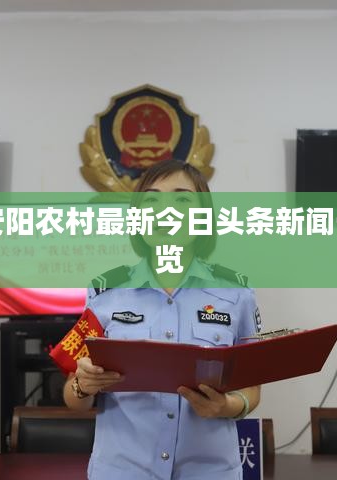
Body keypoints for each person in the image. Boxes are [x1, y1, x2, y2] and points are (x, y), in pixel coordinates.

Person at [59, 160, 262, 480]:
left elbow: (252, 388)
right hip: (123, 472)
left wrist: (227, 406)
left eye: (182, 199)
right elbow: (73, 395)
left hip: (209, 472)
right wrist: (83, 386)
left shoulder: (236, 292)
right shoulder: (104, 291)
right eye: (152, 200)